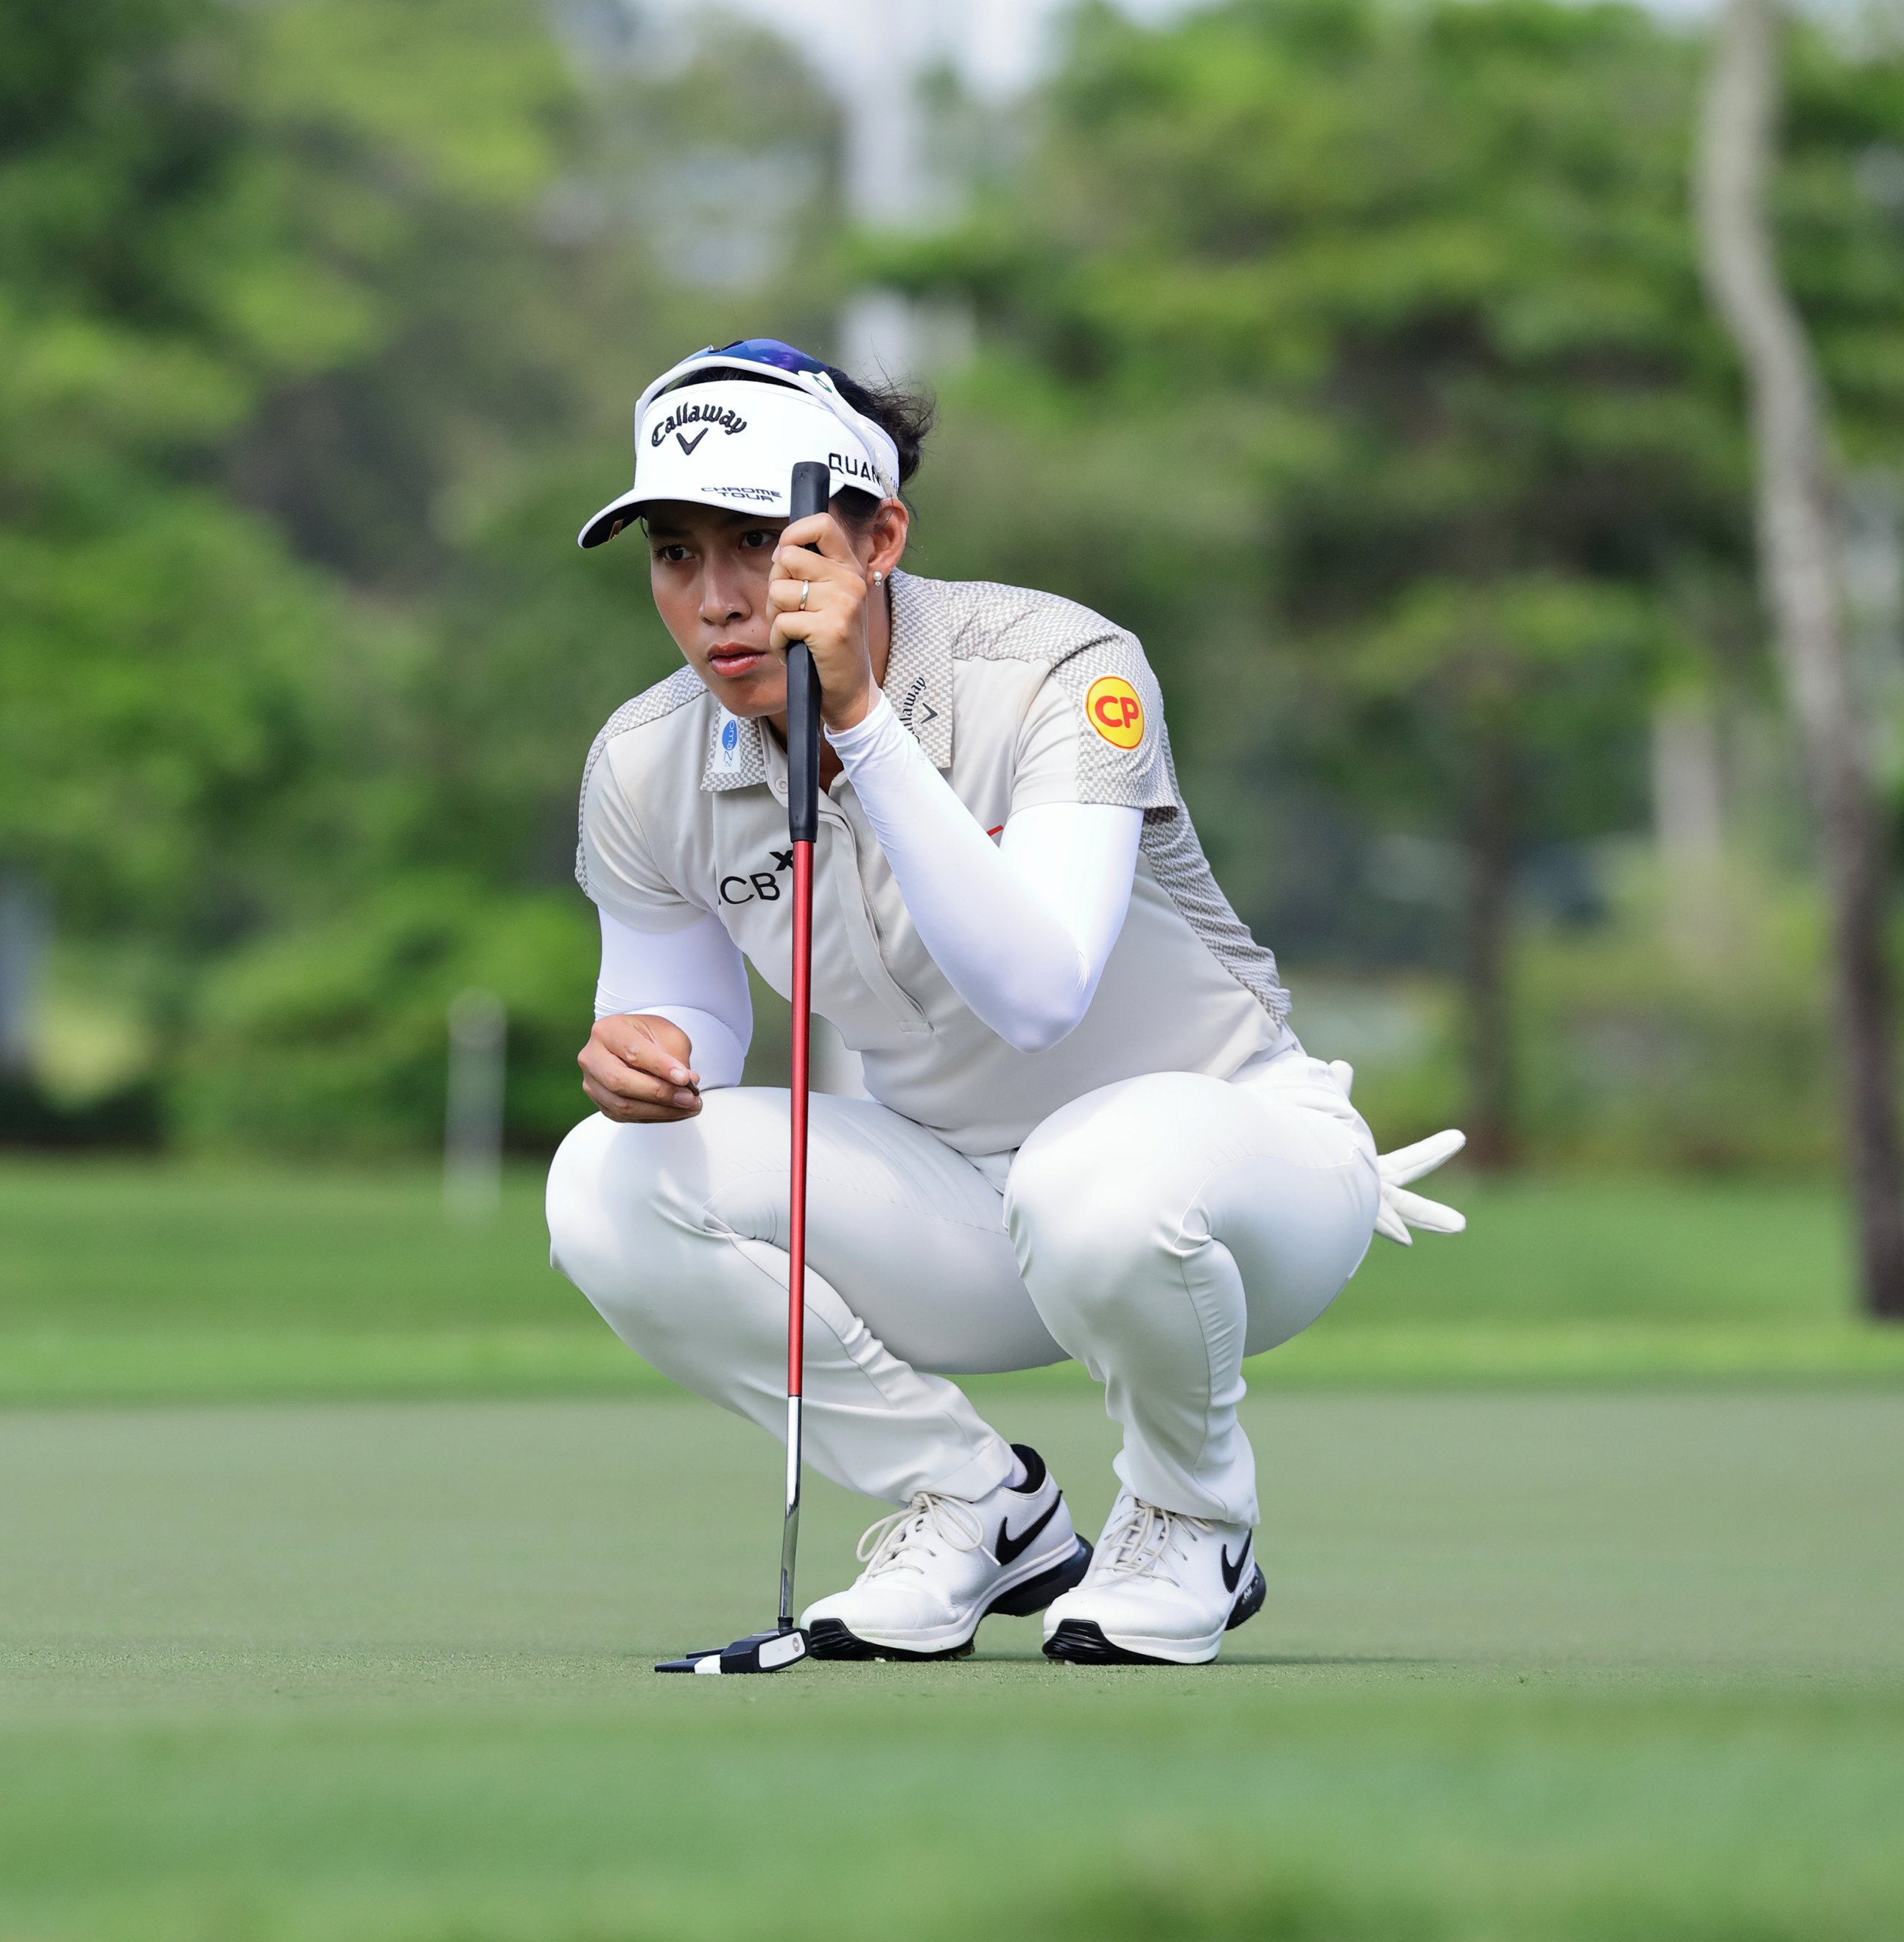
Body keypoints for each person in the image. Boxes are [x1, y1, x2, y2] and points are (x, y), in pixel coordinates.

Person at [545, 340, 1467, 1666]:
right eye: (676, 554)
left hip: (1239, 1180)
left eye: (759, 539)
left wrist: (860, 723)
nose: (718, 597)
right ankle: (978, 1504)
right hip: (961, 1207)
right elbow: (680, 1016)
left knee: (1096, 1180)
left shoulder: (1057, 667)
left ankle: (1194, 1517)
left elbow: (1038, 991)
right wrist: (647, 1053)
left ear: (882, 537)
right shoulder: (645, 762)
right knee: (605, 1180)